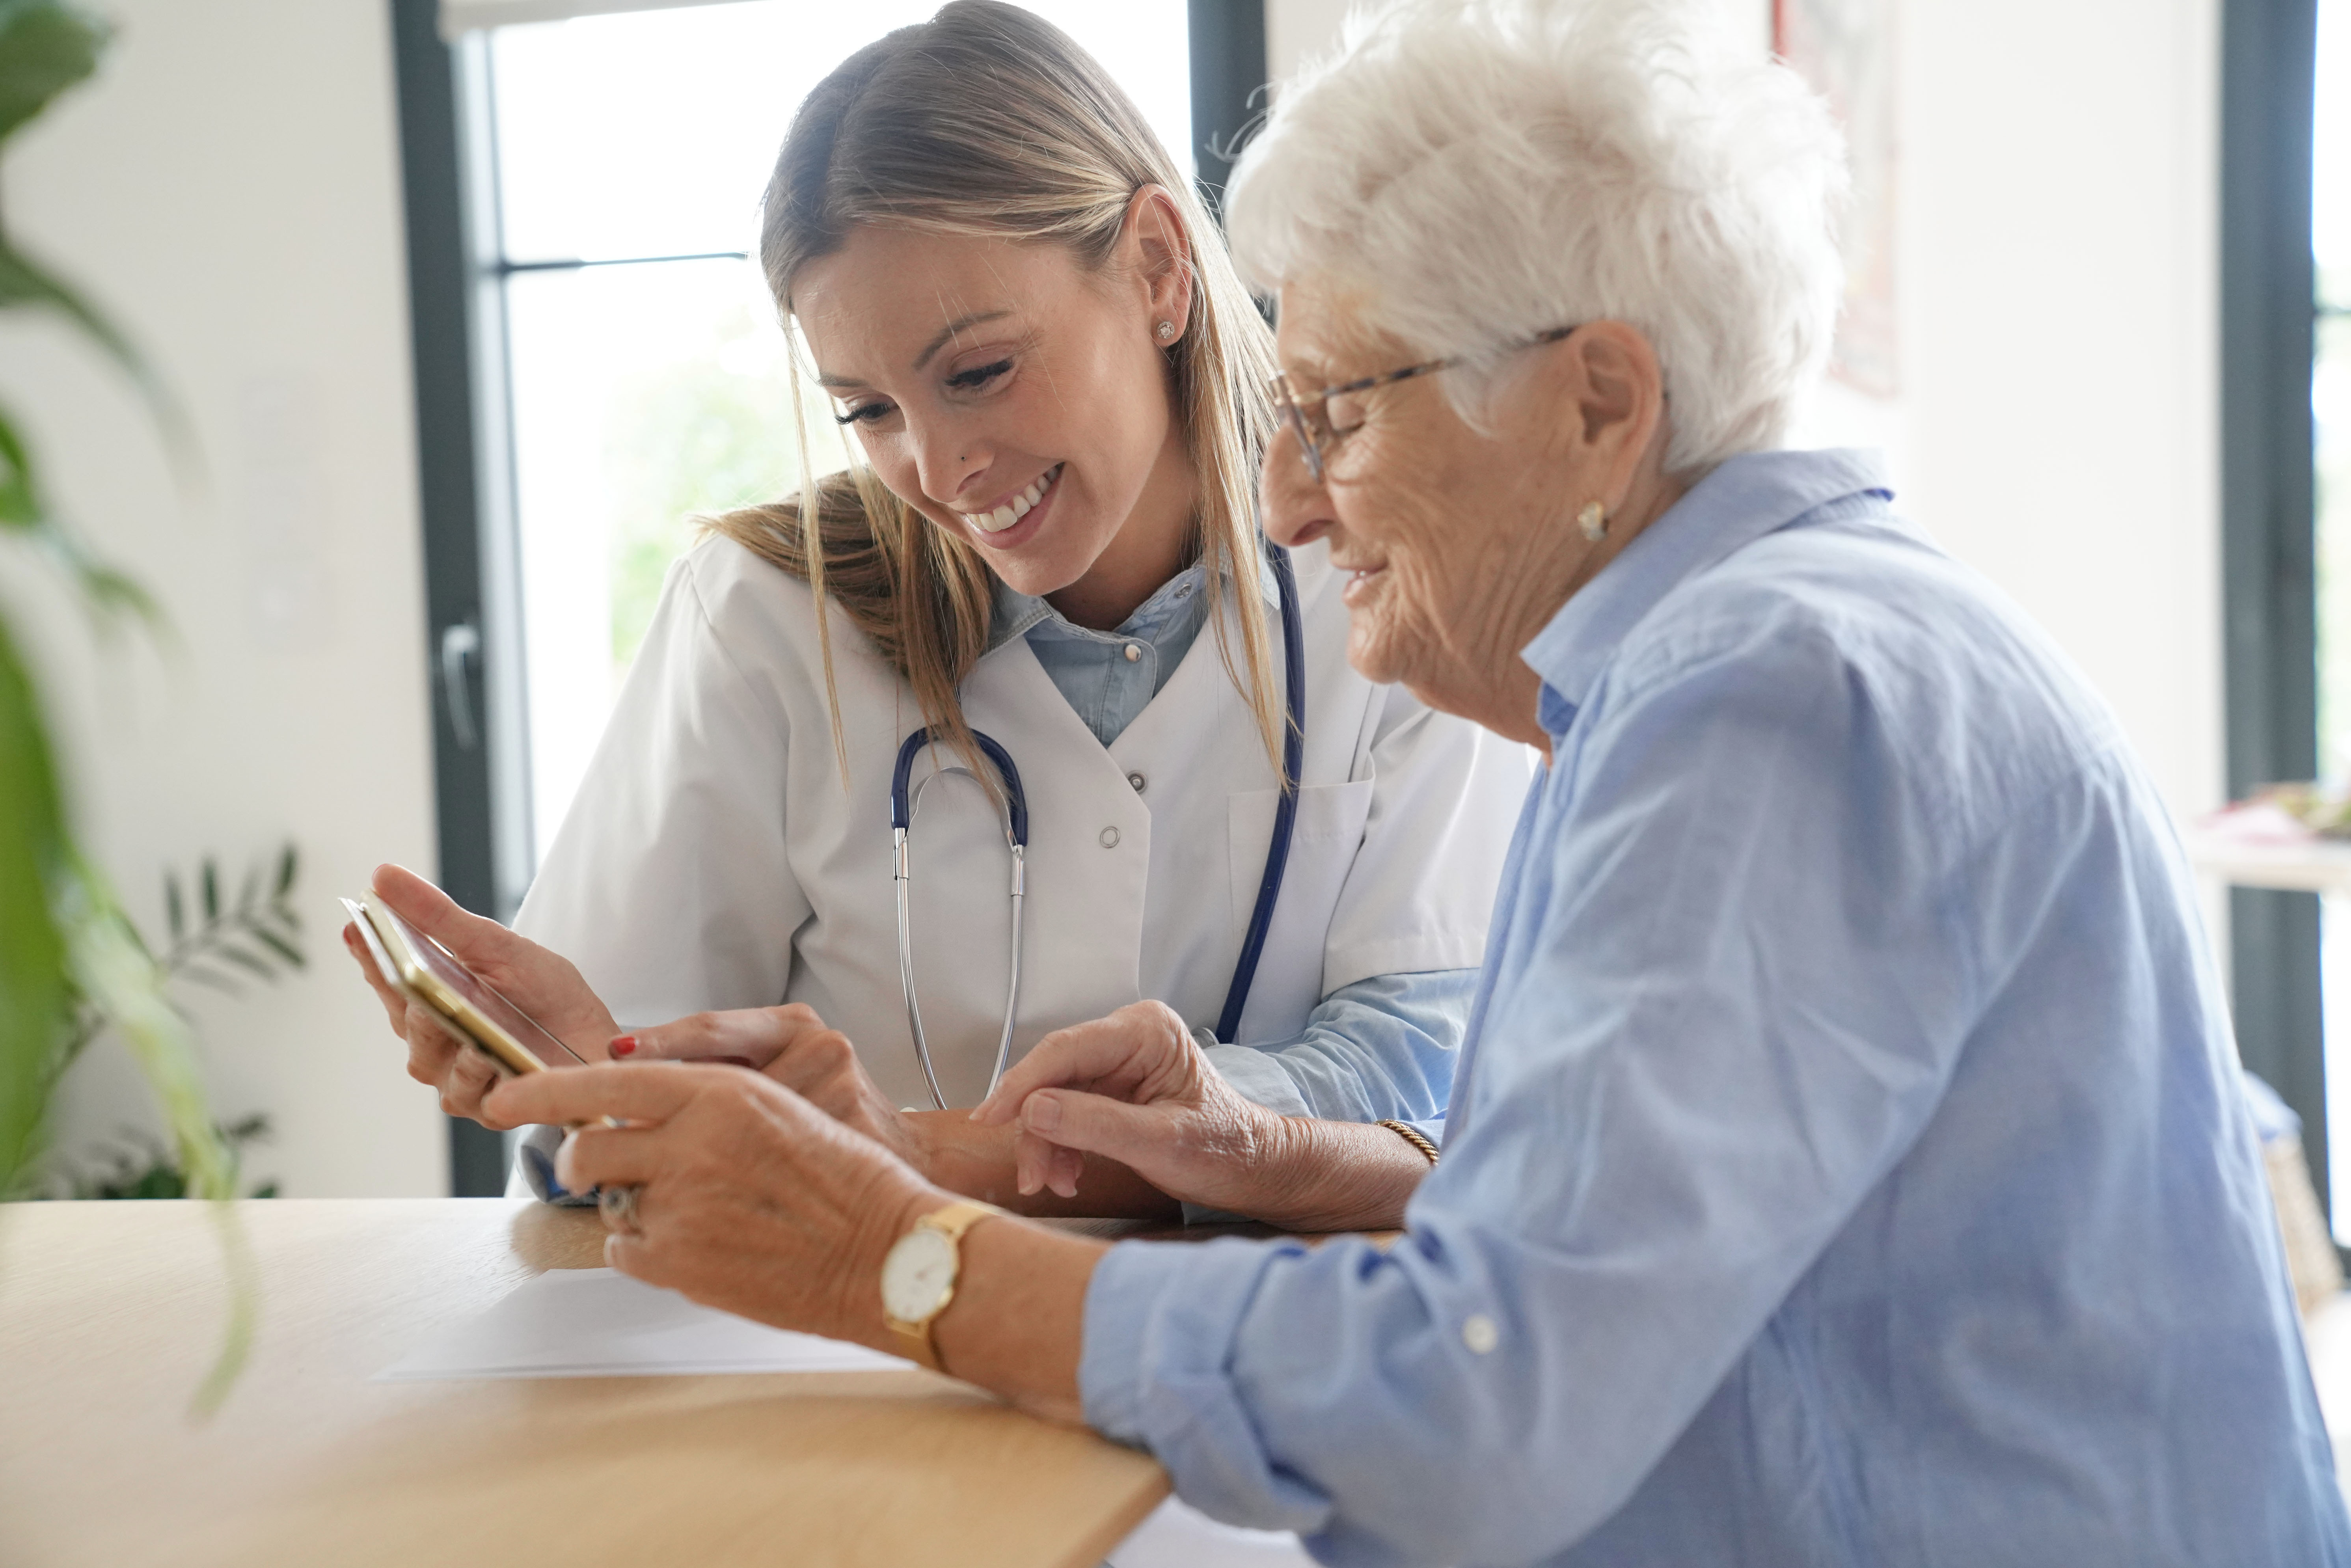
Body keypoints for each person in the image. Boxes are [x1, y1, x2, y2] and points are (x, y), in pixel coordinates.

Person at [468, 0, 2351, 1561]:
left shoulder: (1766, 703)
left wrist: (905, 1259)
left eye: (1344, 411)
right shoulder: (1744, 662)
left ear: (1600, 401)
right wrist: (1286, 1154)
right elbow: (1613, 1233)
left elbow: (1478, 1402)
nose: (1284, 498)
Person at [347, 2, 1527, 1210]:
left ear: (1159, 268)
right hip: (855, 1359)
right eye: (868, 409)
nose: (940, 465)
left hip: (1256, 1339)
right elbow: (617, 1119)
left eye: (978, 372)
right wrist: (578, 1085)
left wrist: (932, 1153)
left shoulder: (1377, 578)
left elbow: (1425, 1070)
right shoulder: (762, 617)